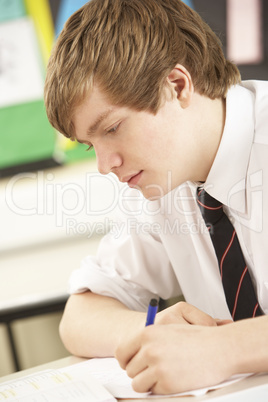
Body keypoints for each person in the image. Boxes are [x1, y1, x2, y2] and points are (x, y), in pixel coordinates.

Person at [44, 0, 268, 395]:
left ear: (177, 85)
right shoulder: (163, 182)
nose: (104, 165)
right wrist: (154, 331)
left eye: (112, 128)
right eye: (88, 145)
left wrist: (224, 349)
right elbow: (78, 317)